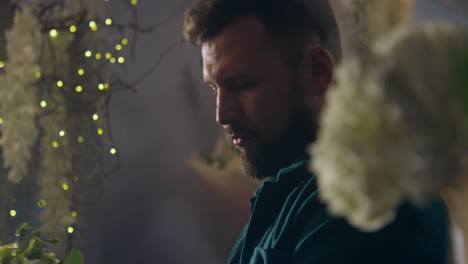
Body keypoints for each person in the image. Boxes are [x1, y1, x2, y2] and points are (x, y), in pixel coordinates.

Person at [183, 0, 449, 263]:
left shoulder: (368, 199)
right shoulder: (290, 198)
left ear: (317, 72)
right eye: (215, 88)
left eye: (242, 85)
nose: (223, 115)